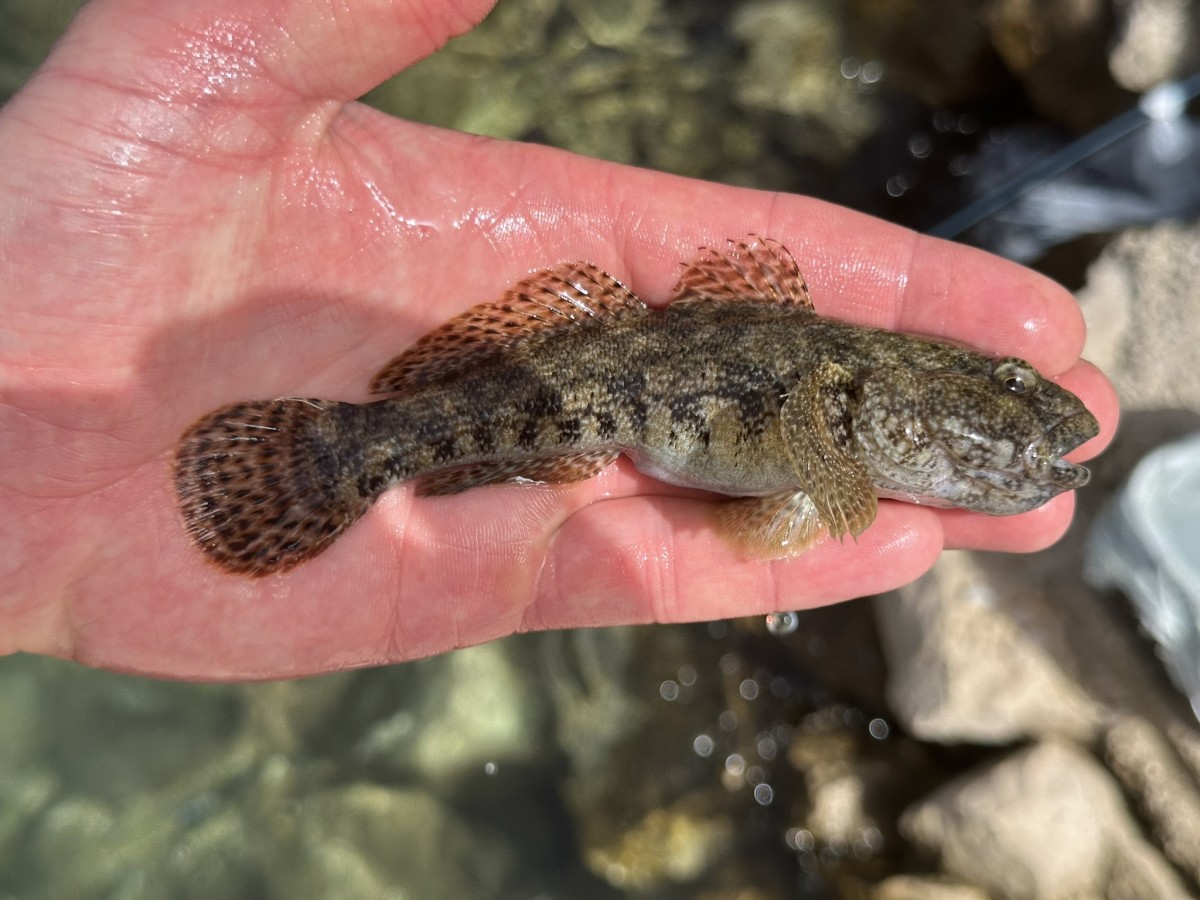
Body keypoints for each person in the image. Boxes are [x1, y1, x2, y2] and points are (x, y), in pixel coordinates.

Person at [0, 0, 1116, 680]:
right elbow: (793, 507)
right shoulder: (843, 440)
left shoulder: (853, 425)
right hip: (564, 387)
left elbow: (786, 503)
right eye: (1000, 385)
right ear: (898, 401)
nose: (1016, 402)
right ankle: (346, 455)